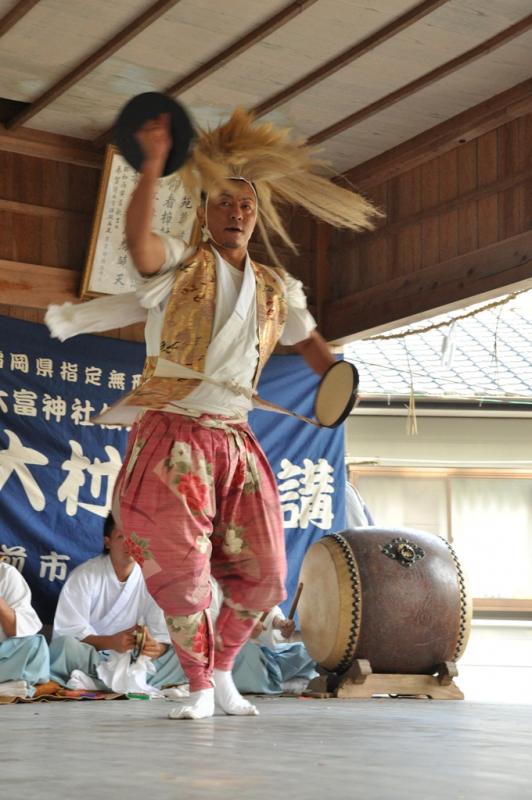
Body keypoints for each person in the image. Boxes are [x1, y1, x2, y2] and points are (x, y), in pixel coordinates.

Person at [47, 106, 379, 719]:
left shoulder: (277, 289)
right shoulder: (180, 265)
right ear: (205, 212)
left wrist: (337, 383)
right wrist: (149, 166)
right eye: (224, 204)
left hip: (235, 440)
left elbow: (311, 347)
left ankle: (222, 671)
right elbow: (139, 245)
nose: (236, 213)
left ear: (255, 217)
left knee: (266, 577)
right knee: (181, 571)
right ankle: (199, 683)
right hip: (172, 432)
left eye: (245, 206)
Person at [49, 515, 183, 693]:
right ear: (107, 542)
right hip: (94, 656)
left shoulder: (154, 575)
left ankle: (97, 683)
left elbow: (161, 635)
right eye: (121, 537)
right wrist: (110, 642)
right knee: (64, 647)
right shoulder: (84, 575)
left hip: (136, 659)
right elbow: (69, 632)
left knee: (185, 653)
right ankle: (125, 683)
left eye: (135, 538)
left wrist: (155, 648)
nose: (129, 544)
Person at [232, 605, 317, 696]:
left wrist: (281, 624)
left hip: (267, 656)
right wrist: (244, 632)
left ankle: (276, 681)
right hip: (237, 654)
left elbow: (269, 611)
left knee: (309, 650)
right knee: (248, 651)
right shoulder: (221, 595)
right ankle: (273, 683)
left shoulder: (255, 594)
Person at [0, 558, 49, 697]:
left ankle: (8, 687)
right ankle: (8, 688)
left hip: (4, 656)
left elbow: (14, 630)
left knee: (36, 644)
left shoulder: (7, 574)